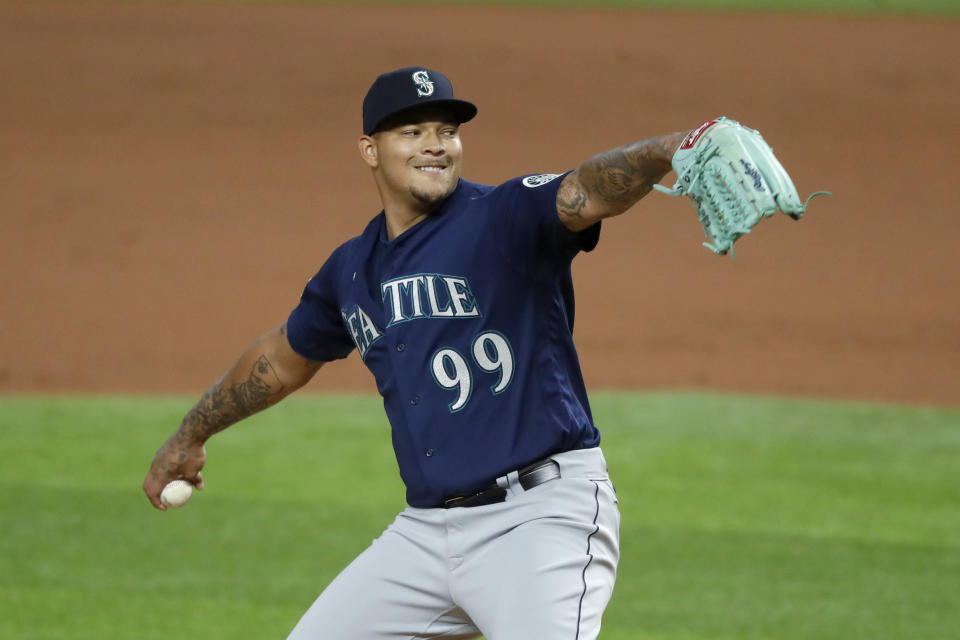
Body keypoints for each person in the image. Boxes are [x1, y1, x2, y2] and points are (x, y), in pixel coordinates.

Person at [143, 66, 689, 640]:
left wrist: (670, 150)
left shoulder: (504, 216)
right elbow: (279, 362)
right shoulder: (352, 269)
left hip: (540, 518)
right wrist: (189, 435)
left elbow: (588, 190)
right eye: (411, 131)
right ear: (369, 150)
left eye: (446, 130)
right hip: (428, 533)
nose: (434, 144)